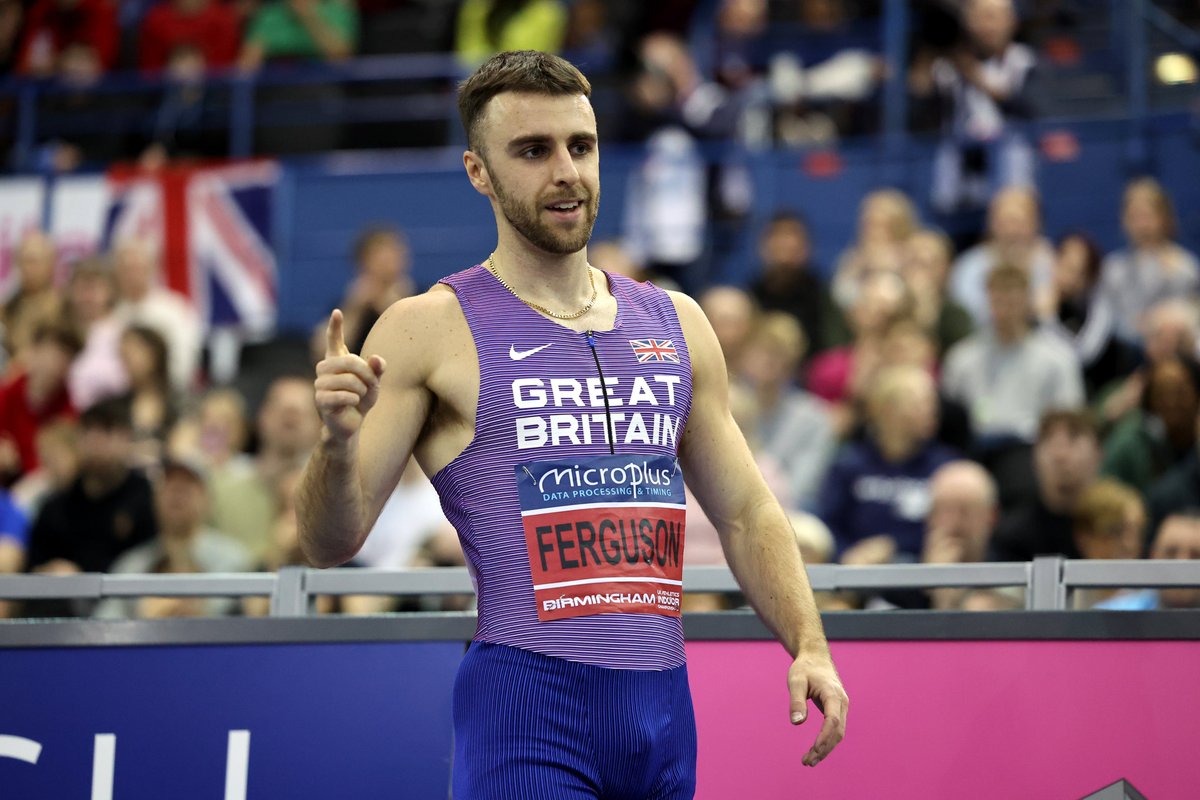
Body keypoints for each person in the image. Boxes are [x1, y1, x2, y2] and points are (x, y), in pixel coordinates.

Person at [296, 50, 847, 795]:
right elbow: (330, 544)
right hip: (527, 712)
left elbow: (748, 512)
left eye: (580, 147)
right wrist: (334, 444)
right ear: (477, 172)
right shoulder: (426, 329)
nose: (566, 171)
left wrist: (808, 645)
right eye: (532, 150)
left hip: (662, 716)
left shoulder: (677, 320)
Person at [94, 456, 251, 619]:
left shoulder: (233, 560)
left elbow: (245, 621)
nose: (177, 493)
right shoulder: (132, 566)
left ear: (207, 499)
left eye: (187, 486)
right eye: (169, 485)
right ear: (154, 499)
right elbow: (102, 626)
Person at [1095, 177, 1200, 342]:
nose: (1142, 225)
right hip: (1128, 354)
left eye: (1148, 216)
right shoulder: (1112, 267)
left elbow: (1193, 316)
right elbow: (1104, 322)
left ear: (1164, 218)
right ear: (1125, 220)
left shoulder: (1185, 266)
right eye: (1135, 217)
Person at [988, 409, 1100, 562]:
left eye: (1073, 438)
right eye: (1048, 440)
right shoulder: (1013, 537)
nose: (1060, 454)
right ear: (1033, 457)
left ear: (1098, 452)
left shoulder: (1118, 529)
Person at [1095, 511, 1200, 610]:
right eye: (1170, 554)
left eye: (1195, 556)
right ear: (1153, 556)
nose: (1181, 563)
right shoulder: (1108, 617)